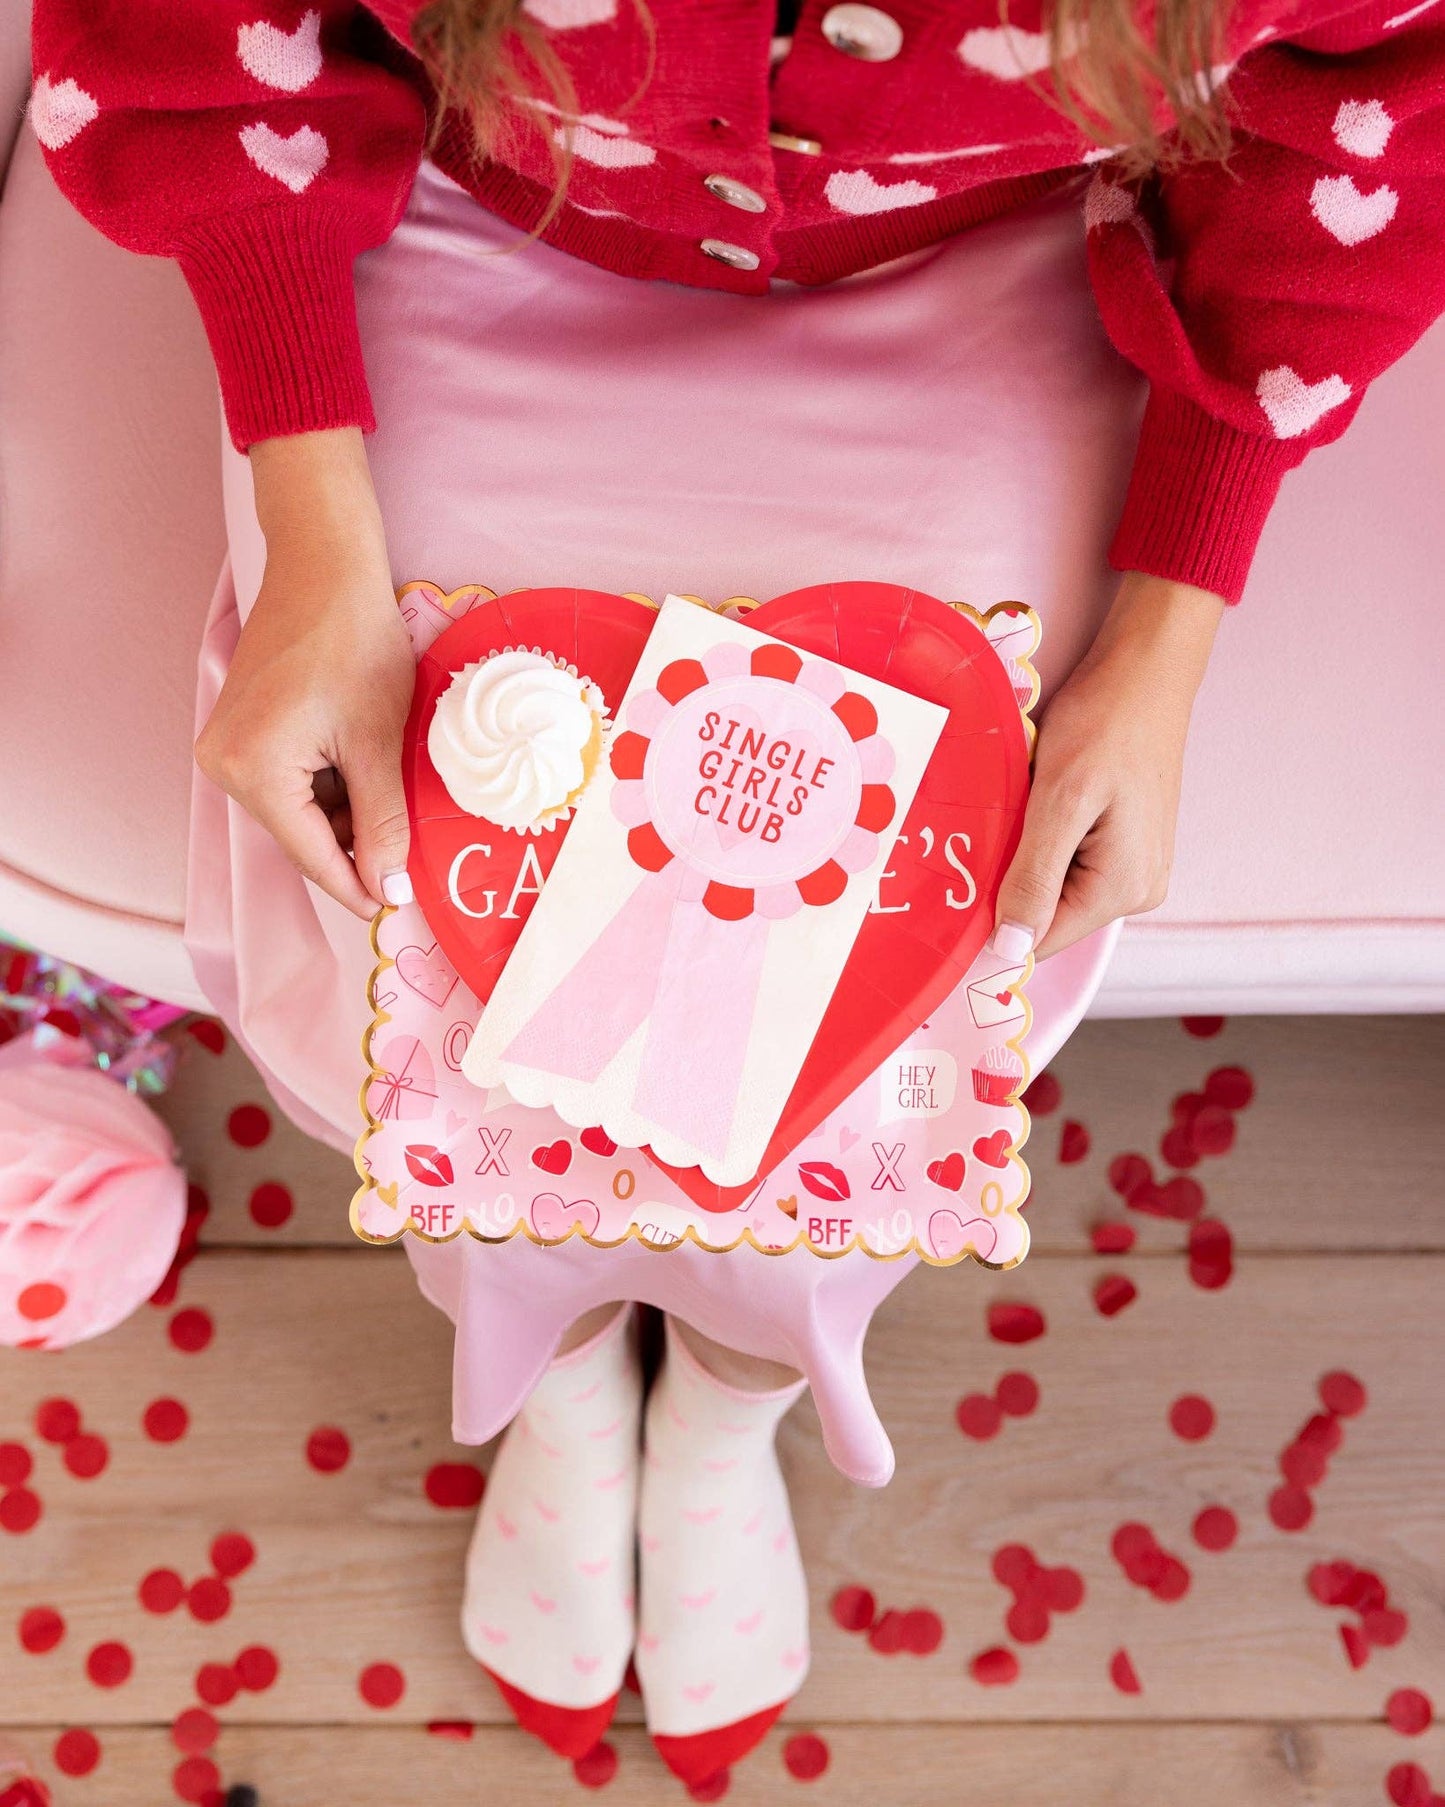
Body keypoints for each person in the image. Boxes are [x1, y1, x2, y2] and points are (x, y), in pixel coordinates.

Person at [28, 0, 1444, 1787]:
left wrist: (1162, 638)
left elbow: (1370, 115)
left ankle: (726, 1396)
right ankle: (536, 1350)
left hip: (993, 253)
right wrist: (311, 515)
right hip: (454, 198)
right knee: (419, 901)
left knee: (918, 953)